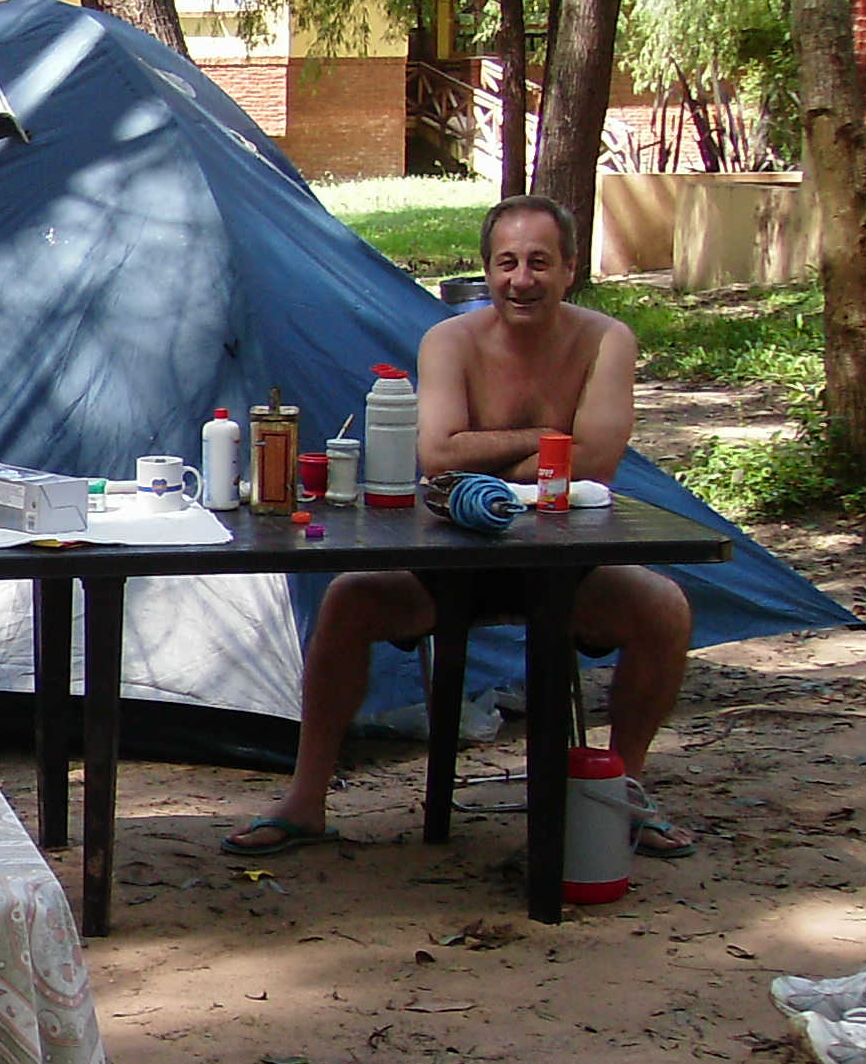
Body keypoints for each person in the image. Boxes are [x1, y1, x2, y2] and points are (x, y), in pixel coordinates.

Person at [221, 195, 696, 858]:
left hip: (568, 563)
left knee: (664, 609)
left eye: (539, 262)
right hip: (451, 560)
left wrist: (485, 457)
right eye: (507, 263)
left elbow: (598, 462)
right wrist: (551, 438)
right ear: (486, 270)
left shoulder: (605, 340)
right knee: (348, 600)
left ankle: (620, 792)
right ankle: (305, 798)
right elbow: (439, 456)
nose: (521, 280)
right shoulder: (451, 341)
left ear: (569, 269)